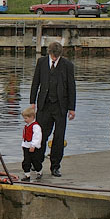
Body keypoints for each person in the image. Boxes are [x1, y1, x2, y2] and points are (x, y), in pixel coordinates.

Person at [29, 41, 76, 177]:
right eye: (53, 56)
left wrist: (72, 108)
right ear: (49, 53)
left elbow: (71, 87)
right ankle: (37, 162)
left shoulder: (68, 66)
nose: (54, 58)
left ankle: (55, 166)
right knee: (40, 135)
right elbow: (35, 82)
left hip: (61, 106)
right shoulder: (41, 62)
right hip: (44, 105)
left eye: (57, 57)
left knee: (59, 137)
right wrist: (33, 102)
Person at [20, 105, 42, 182]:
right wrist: (23, 144)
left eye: (26, 118)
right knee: (26, 161)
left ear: (32, 117)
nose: (25, 120)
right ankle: (27, 174)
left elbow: (37, 137)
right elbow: (25, 136)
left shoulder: (36, 126)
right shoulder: (26, 126)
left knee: (35, 161)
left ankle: (39, 171)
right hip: (26, 146)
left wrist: (33, 145)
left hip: (33, 147)